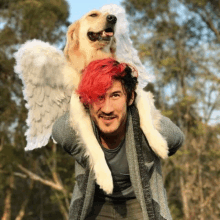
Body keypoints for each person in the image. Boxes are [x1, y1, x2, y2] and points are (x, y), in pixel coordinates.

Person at [52, 58, 184, 220]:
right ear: (86, 102)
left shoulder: (152, 132)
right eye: (98, 96)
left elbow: (176, 138)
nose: (107, 109)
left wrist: (145, 117)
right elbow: (60, 129)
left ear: (130, 98)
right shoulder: (71, 134)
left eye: (115, 95)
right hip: (96, 202)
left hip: (140, 201)